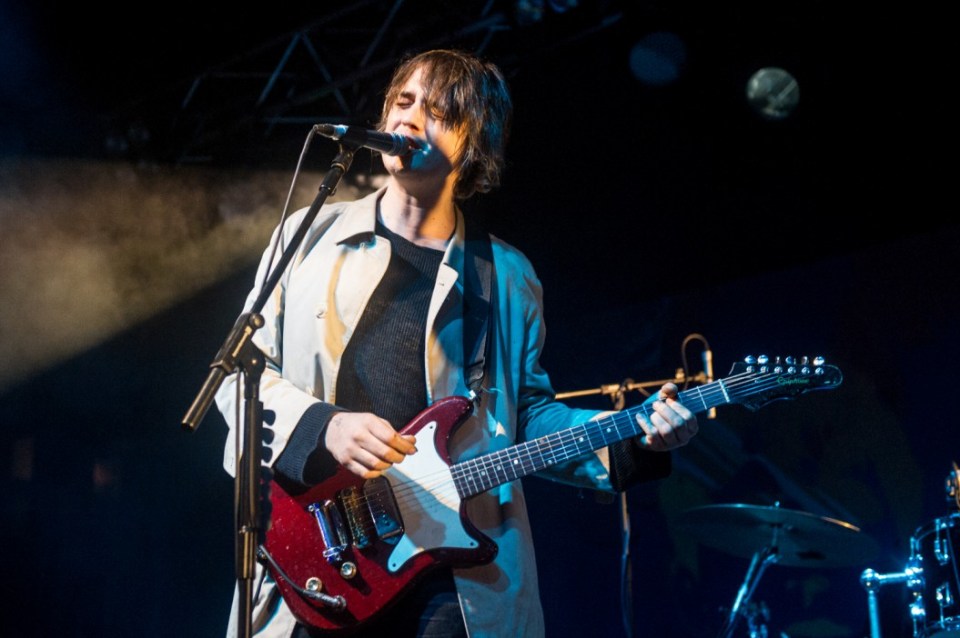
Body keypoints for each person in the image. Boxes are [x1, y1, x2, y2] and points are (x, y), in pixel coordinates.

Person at [214, 48, 699, 638]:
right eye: (404, 101)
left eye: (437, 110)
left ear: (472, 145)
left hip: (449, 579)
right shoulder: (310, 235)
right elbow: (241, 373)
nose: (411, 119)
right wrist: (323, 427)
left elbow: (523, 418)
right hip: (317, 550)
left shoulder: (506, 275)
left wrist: (635, 437)